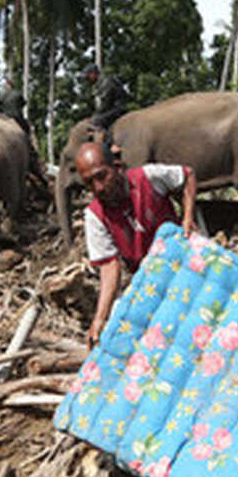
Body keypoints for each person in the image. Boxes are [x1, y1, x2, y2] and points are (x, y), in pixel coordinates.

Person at [74, 141, 196, 345]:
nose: (99, 187)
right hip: (148, 279)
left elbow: (187, 174)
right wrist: (99, 319)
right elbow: (109, 267)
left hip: (183, 264)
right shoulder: (94, 216)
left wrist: (188, 217)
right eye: (89, 183)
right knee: (119, 316)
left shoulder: (148, 177)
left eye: (102, 176)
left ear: (117, 167)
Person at [83, 64, 131, 137]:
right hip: (112, 108)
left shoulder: (106, 82)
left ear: (93, 73)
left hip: (118, 109)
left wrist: (96, 115)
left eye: (88, 75)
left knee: (96, 120)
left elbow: (106, 103)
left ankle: (109, 142)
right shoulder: (100, 83)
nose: (87, 78)